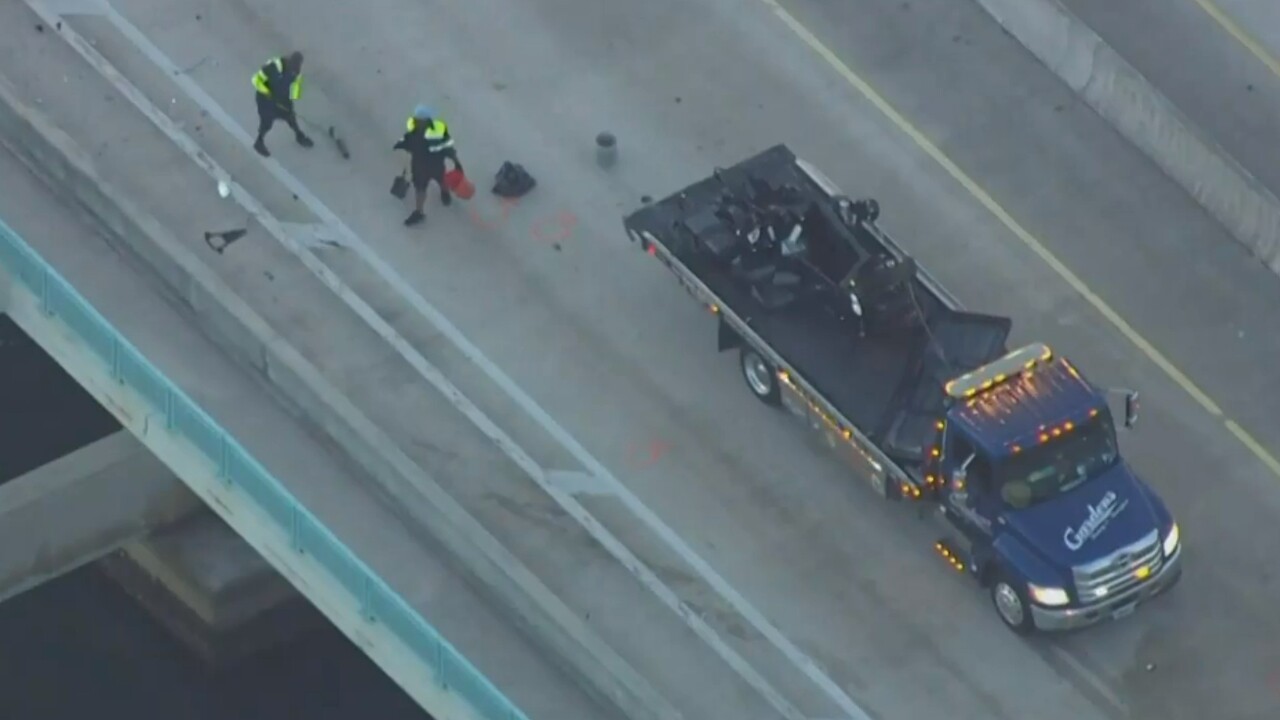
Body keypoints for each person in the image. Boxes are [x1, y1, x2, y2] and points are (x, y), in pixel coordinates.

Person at [393, 104, 463, 226]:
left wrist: (456, 161)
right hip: (420, 167)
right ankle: (419, 212)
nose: (416, 121)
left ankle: (444, 192)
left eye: (419, 120)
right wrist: (401, 145)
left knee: (441, 181)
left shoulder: (436, 133)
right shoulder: (414, 132)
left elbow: (448, 148)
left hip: (433, 166)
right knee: (420, 189)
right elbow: (407, 142)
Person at [251, 52, 314, 157]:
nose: (295, 69)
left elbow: (294, 92)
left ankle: (299, 135)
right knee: (267, 123)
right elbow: (256, 79)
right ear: (289, 61)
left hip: (281, 99)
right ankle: (259, 142)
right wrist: (268, 94)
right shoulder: (274, 66)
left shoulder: (296, 73)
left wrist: (289, 104)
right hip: (265, 100)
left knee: (291, 117)